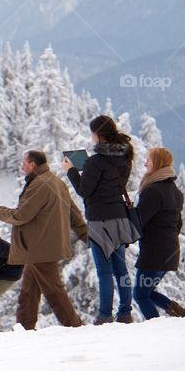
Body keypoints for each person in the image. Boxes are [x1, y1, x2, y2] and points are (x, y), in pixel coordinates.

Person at [0, 149, 88, 330]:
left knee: (54, 292)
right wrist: (87, 237)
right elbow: (74, 214)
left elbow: (20, 216)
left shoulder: (39, 184)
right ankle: (24, 328)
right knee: (29, 291)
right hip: (40, 248)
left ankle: (76, 327)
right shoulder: (56, 182)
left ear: (32, 164)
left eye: (24, 163)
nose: (21, 167)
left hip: (40, 247)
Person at [62, 115, 140, 324]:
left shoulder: (95, 162)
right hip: (119, 218)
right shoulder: (125, 156)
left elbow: (84, 190)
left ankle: (104, 315)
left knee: (104, 270)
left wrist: (71, 171)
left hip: (99, 221)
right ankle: (125, 312)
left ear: (97, 135)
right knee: (120, 268)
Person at [132, 147, 185, 319]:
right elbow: (178, 224)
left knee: (140, 295)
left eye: (149, 160)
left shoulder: (153, 190)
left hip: (154, 252)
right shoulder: (174, 191)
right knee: (147, 292)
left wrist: (127, 211)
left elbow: (138, 221)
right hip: (169, 251)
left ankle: (156, 326)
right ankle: (180, 313)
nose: (145, 163)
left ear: (158, 164)